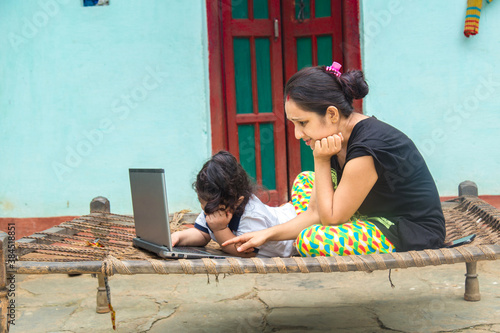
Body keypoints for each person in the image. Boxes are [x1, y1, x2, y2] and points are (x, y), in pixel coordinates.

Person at [223, 62, 446, 256]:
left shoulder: (368, 147)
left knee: (310, 240)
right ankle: (284, 227)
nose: (298, 135)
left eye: (303, 123)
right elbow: (315, 212)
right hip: (365, 214)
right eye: (293, 124)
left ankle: (295, 232)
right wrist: (265, 235)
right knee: (305, 181)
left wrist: (320, 160)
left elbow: (330, 218)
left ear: (331, 114)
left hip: (407, 229)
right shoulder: (335, 135)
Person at [171, 151, 297, 258]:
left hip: (295, 225)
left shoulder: (251, 216)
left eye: (212, 207)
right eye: (201, 203)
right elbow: (202, 234)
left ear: (237, 201)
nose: (206, 211)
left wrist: (219, 229)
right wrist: (179, 237)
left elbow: (246, 253)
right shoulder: (211, 207)